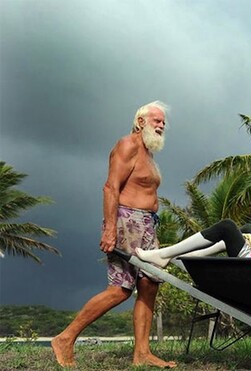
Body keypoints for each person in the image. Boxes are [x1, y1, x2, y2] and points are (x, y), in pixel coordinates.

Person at [51, 101, 176, 368]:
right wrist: (109, 229)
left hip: (147, 224)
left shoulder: (149, 155)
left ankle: (142, 353)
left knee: (149, 286)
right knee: (120, 289)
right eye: (157, 120)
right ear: (141, 122)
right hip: (126, 221)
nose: (162, 125)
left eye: (163, 122)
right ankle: (65, 338)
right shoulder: (127, 145)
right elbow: (110, 188)